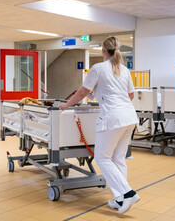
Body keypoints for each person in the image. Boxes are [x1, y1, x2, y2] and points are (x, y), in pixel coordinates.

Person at [59, 36, 139, 214]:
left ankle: (127, 193)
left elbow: (81, 92)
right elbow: (130, 95)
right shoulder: (124, 70)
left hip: (112, 118)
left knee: (102, 158)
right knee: (118, 159)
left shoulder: (98, 68)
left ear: (104, 51)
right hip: (129, 117)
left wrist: (66, 105)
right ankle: (120, 199)